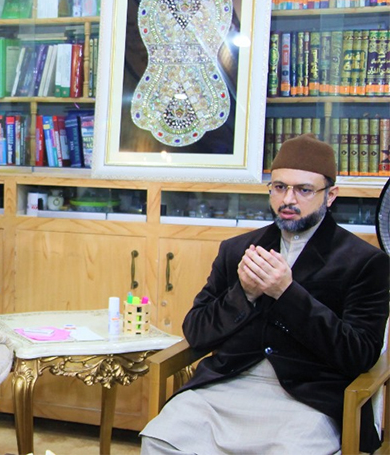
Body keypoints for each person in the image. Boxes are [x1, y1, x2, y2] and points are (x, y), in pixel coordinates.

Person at [141, 133, 390, 454]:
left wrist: (286, 294)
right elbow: (197, 332)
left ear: (330, 196)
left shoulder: (364, 262)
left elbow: (359, 354)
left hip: (309, 398)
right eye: (280, 187)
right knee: (162, 437)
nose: (289, 199)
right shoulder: (238, 250)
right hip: (228, 383)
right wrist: (243, 293)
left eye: (304, 190)